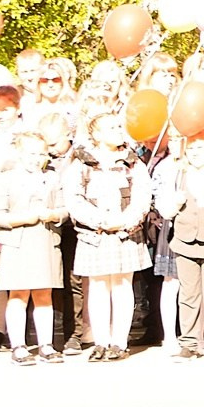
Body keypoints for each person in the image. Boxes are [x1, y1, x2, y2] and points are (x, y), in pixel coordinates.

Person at [72, 117, 151, 361]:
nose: (118, 131)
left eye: (119, 127)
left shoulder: (132, 162)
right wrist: (100, 221)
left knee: (122, 285)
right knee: (97, 286)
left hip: (124, 232)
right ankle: (101, 342)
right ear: (96, 134)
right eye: (111, 128)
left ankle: (119, 342)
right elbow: (74, 198)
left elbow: (142, 196)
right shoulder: (82, 163)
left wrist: (126, 220)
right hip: (94, 234)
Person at [0, 129, 66, 364]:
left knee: (44, 293)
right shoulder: (6, 179)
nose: (36, 159)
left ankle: (46, 344)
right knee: (19, 294)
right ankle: (18, 346)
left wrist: (53, 214)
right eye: (31, 154)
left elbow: (64, 209)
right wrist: (24, 218)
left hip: (45, 240)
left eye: (41, 154)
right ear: (19, 153)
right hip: (17, 242)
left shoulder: (52, 177)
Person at [158, 132, 204, 360]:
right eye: (190, 149)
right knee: (188, 294)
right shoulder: (178, 174)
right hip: (185, 242)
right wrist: (176, 201)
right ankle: (189, 343)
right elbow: (165, 210)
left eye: (199, 148)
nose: (194, 153)